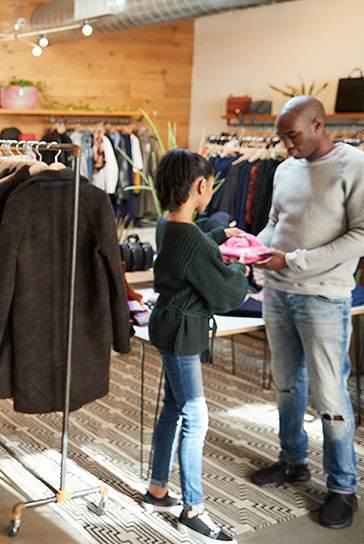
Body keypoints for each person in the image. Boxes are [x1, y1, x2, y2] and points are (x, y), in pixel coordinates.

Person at [251, 96, 364, 529]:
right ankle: (293, 460)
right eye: (282, 138)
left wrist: (293, 260)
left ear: (319, 124)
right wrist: (252, 246)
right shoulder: (286, 169)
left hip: (324, 297)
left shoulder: (360, 167)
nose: (287, 146)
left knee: (329, 394)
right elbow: (276, 222)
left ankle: (343, 487)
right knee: (287, 386)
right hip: (278, 293)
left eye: (294, 136)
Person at [143, 149, 248, 544]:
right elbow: (226, 294)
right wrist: (243, 267)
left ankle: (157, 489)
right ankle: (193, 509)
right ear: (202, 186)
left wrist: (220, 237)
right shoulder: (189, 238)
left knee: (173, 407)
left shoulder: (165, 224)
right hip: (183, 333)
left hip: (169, 325)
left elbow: (192, 245)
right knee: (196, 417)